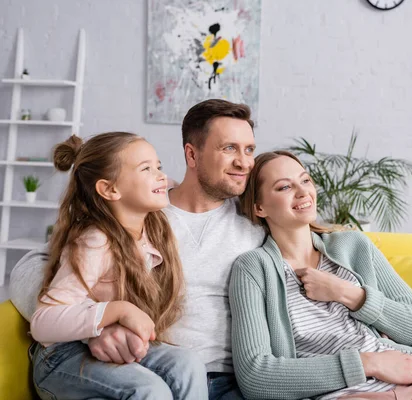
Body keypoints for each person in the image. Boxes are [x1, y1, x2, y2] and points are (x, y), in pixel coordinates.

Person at [10, 100, 265, 400]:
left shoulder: (257, 220)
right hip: (135, 364)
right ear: (192, 154)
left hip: (226, 380)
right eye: (229, 148)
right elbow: (38, 268)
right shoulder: (140, 209)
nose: (245, 162)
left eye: (249, 149)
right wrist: (97, 325)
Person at [229, 150, 412, 400]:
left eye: (306, 180)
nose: (303, 192)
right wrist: (371, 363)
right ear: (259, 208)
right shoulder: (254, 269)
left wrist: (348, 294)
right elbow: (256, 376)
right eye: (285, 187)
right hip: (349, 395)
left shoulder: (352, 245)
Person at [29, 132, 208, 400]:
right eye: (146, 169)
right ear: (110, 189)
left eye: (158, 166)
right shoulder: (95, 241)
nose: (161, 175)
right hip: (60, 356)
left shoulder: (152, 228)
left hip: (111, 346)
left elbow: (173, 186)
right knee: (149, 390)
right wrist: (118, 310)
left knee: (188, 364)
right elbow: (42, 323)